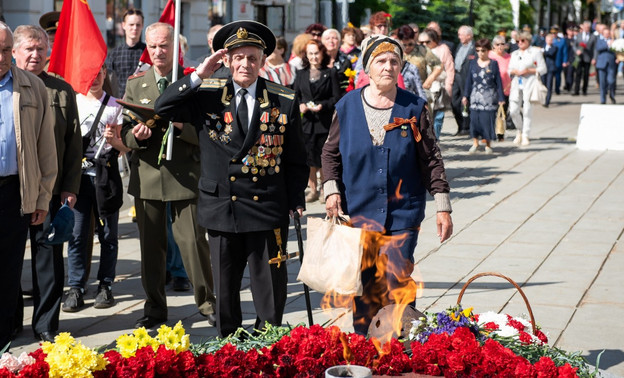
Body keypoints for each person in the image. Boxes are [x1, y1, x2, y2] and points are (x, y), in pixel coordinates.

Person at [154, 20, 309, 337]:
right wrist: (199, 74)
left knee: (269, 290)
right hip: (222, 206)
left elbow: (296, 158)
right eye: (238, 57)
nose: (245, 64)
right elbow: (163, 106)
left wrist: (295, 200)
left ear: (263, 61)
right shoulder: (207, 94)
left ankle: (268, 343)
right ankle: (228, 348)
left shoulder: (283, 100)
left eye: (252, 57)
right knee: (224, 290)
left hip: (267, 208)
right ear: (227, 60)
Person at [321, 35, 453, 336]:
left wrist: (443, 207)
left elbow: (431, 157)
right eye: (381, 61)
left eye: (394, 61)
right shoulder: (347, 106)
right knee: (366, 288)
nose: (388, 66)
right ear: (368, 67)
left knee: (397, 284)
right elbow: (330, 152)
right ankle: (364, 349)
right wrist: (331, 190)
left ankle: (402, 348)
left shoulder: (414, 108)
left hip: (403, 214)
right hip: (360, 213)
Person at [121, 22, 216, 329]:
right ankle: (154, 308)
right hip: (148, 175)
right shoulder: (137, 84)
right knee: (151, 248)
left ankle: (206, 302)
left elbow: (209, 133)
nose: (158, 51)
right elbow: (124, 131)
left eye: (164, 45)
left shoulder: (192, 82)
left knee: (192, 242)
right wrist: (138, 135)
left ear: (176, 47)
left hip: (185, 175)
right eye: (153, 46)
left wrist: (181, 128)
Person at [12, 24, 82, 342]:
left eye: (41, 48)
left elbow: (73, 144)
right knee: (9, 259)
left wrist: (70, 188)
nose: (36, 54)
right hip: (12, 188)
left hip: (50, 191)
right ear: (14, 52)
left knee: (49, 261)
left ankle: (46, 325)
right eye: (29, 48)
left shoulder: (61, 90)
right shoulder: (7, 88)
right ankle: (11, 320)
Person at [0, 22, 57, 349]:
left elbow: (45, 148)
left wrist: (42, 197)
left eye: (7, 50)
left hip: (15, 189)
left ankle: (7, 330)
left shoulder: (33, 88)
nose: (2, 56)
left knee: (9, 265)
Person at [64, 64, 129, 313]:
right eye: (88, 75)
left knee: (108, 235)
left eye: (98, 73)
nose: (94, 79)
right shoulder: (75, 102)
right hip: (79, 180)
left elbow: (125, 148)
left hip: (106, 179)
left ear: (104, 74)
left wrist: (115, 141)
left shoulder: (115, 105)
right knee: (78, 234)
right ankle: (76, 286)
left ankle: (106, 284)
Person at [294, 39, 340, 203]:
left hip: (324, 122)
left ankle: (324, 190)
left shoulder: (331, 72)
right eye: (310, 54)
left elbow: (336, 97)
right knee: (309, 158)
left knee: (323, 157)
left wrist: (322, 106)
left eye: (316, 53)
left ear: (322, 54)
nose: (313, 57)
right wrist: (300, 105)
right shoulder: (301, 74)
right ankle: (312, 189)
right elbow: (295, 95)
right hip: (307, 122)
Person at [462, 39, 505, 154]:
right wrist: (465, 95)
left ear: (488, 50)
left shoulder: (493, 64)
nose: (480, 53)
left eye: (483, 50)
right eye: (478, 50)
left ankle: (488, 144)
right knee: (475, 121)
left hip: (489, 97)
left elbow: (498, 82)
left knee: (487, 121)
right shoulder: (472, 63)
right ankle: (475, 143)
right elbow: (468, 81)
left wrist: (501, 98)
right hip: (475, 96)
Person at [508, 31, 547, 146]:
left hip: (529, 83)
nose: (520, 43)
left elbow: (543, 68)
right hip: (516, 84)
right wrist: (514, 71)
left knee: (527, 110)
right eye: (517, 41)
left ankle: (526, 134)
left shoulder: (535, 52)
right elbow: (509, 69)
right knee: (513, 110)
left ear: (528, 41)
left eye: (522, 40)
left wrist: (529, 70)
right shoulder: (514, 53)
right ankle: (519, 130)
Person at [421, 28, 454, 139]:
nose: (425, 44)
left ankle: (436, 138)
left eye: (428, 42)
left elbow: (449, 68)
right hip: (424, 87)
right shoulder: (420, 51)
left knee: (438, 115)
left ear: (435, 40)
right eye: (422, 42)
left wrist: (449, 85)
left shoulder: (443, 49)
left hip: (439, 86)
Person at [105, 8, 145, 97]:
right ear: (123, 25)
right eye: (131, 24)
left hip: (142, 101)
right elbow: (108, 81)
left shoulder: (148, 53)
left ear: (142, 26)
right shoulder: (114, 54)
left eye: (138, 25)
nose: (135, 28)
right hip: (119, 102)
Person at [452, 25, 476, 135]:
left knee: (466, 102)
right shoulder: (459, 46)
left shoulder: (474, 48)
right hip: (457, 76)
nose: (459, 37)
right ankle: (460, 125)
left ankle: (467, 127)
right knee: (454, 101)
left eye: (461, 34)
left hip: (467, 77)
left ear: (469, 35)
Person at [489, 35, 513, 141]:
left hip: (505, 89)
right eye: (497, 44)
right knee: (491, 112)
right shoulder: (490, 56)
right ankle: (489, 133)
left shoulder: (509, 57)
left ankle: (500, 134)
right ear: (493, 46)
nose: (500, 46)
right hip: (491, 89)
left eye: (502, 44)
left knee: (502, 112)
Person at [322, 28, 351, 93]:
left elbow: (348, 84)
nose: (331, 41)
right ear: (322, 42)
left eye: (334, 38)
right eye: (327, 39)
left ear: (340, 42)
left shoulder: (345, 61)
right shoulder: (318, 60)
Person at [573, 21, 596, 96]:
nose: (586, 29)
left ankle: (584, 90)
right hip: (579, 57)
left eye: (588, 27)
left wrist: (594, 58)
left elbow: (595, 48)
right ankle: (576, 90)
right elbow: (574, 45)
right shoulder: (579, 35)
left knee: (586, 75)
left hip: (588, 58)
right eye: (585, 27)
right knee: (578, 74)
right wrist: (577, 51)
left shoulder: (593, 36)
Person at [595, 27, 617, 104]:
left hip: (611, 63)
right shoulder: (600, 41)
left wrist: (618, 58)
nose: (607, 34)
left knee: (611, 81)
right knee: (602, 83)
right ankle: (603, 99)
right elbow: (598, 48)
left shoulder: (614, 41)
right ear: (603, 34)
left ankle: (612, 95)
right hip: (602, 64)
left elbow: (618, 50)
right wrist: (607, 44)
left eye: (608, 33)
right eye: (606, 33)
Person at [550, 25, 568, 95]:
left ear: (557, 33)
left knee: (558, 77)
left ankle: (557, 89)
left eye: (554, 33)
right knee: (550, 77)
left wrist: (564, 61)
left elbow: (565, 52)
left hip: (558, 61)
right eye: (552, 33)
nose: (553, 34)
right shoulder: (549, 40)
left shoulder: (562, 41)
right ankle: (549, 90)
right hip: (550, 62)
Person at [542, 33, 558, 108]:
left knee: (549, 85)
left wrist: (543, 51)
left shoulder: (554, 47)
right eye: (548, 40)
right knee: (543, 84)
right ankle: (543, 99)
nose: (549, 41)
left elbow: (550, 54)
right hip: (543, 68)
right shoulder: (543, 47)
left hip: (550, 68)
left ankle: (547, 101)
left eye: (550, 40)